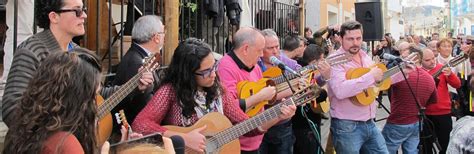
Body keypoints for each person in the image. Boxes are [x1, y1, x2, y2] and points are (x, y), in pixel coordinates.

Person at [2, 0, 154, 127]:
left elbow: (98, 95)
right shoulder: (32, 51)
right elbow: (12, 110)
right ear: (54, 16)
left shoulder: (80, 53)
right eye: (77, 11)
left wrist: (135, 86)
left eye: (84, 10)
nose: (85, 16)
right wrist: (64, 124)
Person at [132, 38, 296, 153]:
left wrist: (277, 116)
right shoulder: (170, 92)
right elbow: (140, 125)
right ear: (187, 73)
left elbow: (247, 125)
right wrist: (183, 138)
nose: (213, 74)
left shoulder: (218, 90)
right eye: (206, 71)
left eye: (214, 66)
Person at [326, 20, 414, 153]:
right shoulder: (335, 60)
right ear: (341, 38)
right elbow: (340, 90)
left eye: (358, 38)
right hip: (347, 125)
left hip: (369, 121)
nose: (355, 43)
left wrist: (402, 72)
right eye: (350, 39)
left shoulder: (365, 56)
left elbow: (379, 82)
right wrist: (370, 76)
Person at [3, 49, 105, 153]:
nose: (96, 103)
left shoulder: (23, 131)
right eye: (94, 96)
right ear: (77, 100)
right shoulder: (65, 145)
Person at [218, 27, 294, 153]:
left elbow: (260, 107)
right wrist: (260, 96)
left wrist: (279, 114)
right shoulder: (225, 67)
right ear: (246, 49)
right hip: (236, 145)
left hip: (256, 139)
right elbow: (228, 107)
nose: (261, 56)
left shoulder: (255, 67)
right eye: (259, 50)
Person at [111, 15, 165, 134]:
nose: (164, 36)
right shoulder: (136, 62)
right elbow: (142, 105)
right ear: (156, 37)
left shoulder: (138, 56)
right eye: (163, 32)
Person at [381, 46, 438, 154]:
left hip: (398, 121)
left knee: (385, 150)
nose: (401, 59)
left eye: (404, 56)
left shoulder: (402, 74)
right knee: (411, 151)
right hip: (416, 122)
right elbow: (433, 100)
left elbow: (381, 86)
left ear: (414, 58)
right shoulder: (429, 78)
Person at [421, 48, 461, 154]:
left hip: (443, 112)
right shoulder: (419, 72)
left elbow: (457, 84)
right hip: (426, 114)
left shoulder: (442, 69)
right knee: (426, 144)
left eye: (433, 58)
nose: (432, 61)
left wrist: (450, 75)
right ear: (421, 60)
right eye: (427, 60)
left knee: (445, 143)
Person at [293, 44, 331, 154]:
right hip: (307, 124)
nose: (323, 62)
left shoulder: (297, 68)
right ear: (314, 62)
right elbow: (316, 95)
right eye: (322, 59)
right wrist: (327, 82)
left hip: (296, 125)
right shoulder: (305, 73)